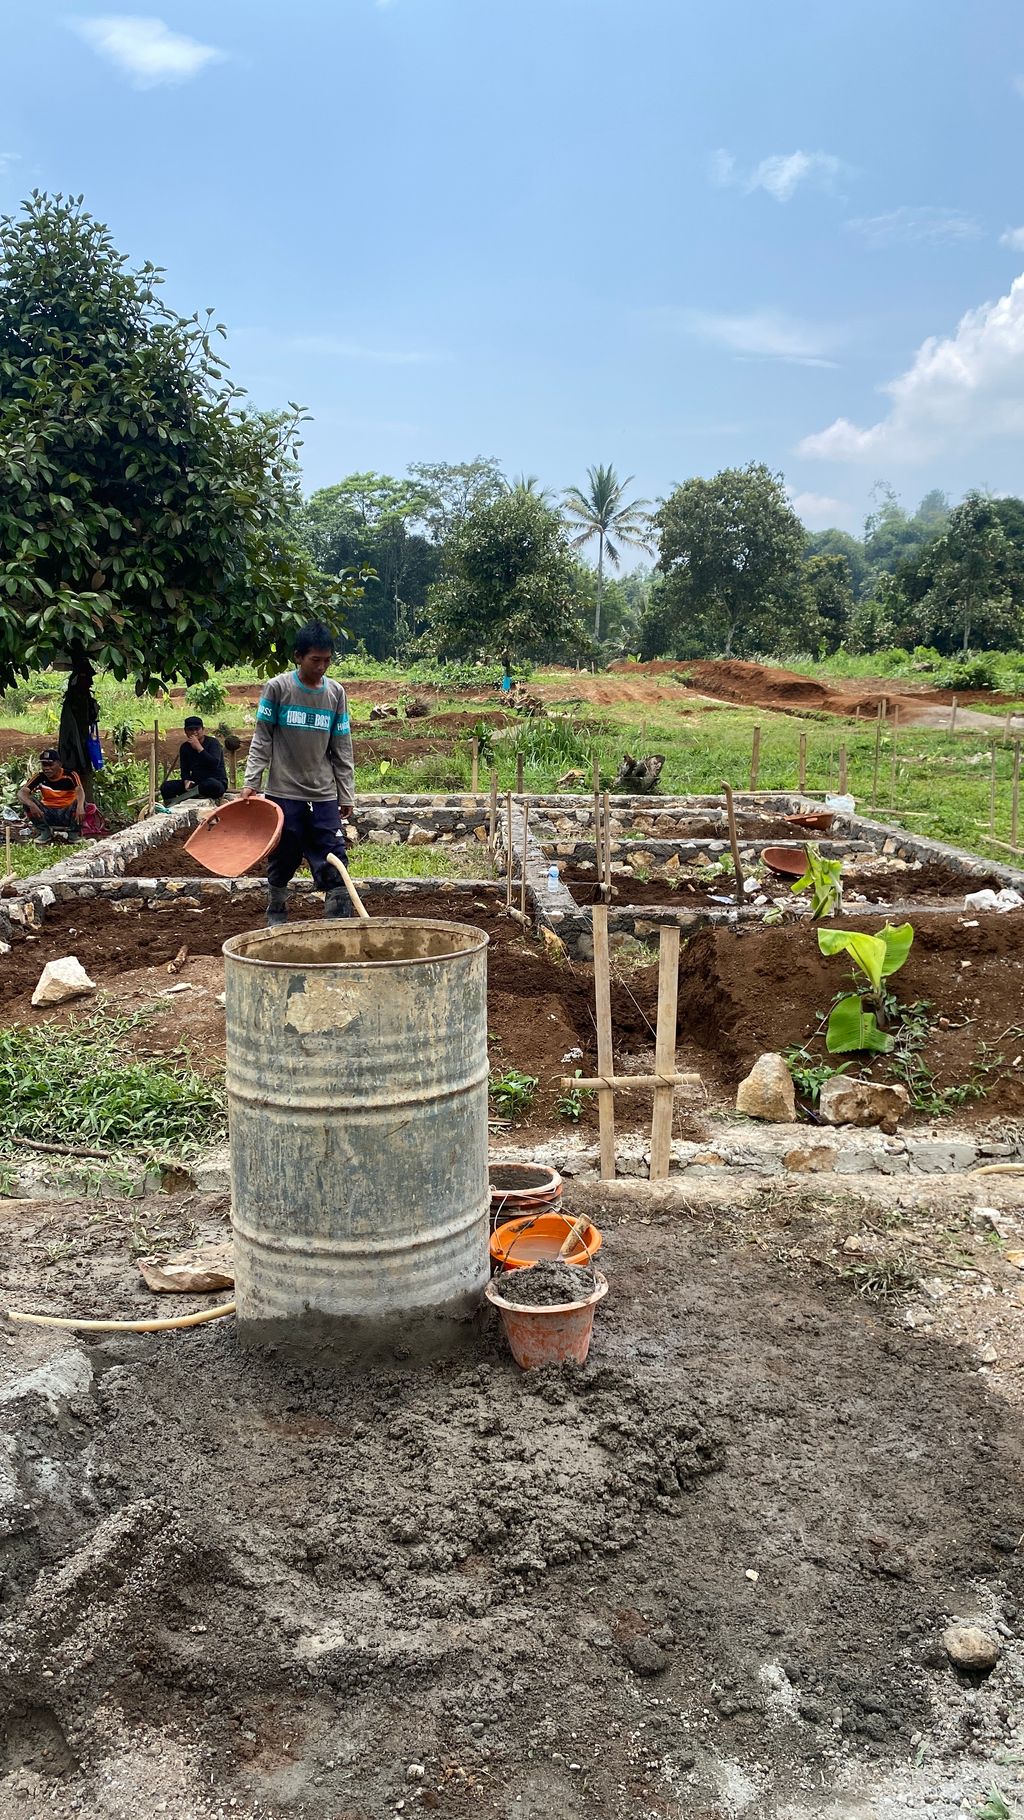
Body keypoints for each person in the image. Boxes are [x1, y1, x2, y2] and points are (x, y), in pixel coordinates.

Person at [241, 621, 354, 927]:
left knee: (334, 855)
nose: (321, 667)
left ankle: (338, 924)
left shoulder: (336, 694)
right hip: (284, 792)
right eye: (315, 660)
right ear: (298, 657)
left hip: (324, 794)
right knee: (284, 855)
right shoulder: (278, 689)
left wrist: (346, 793)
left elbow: (341, 746)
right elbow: (262, 738)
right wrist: (251, 783)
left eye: (327, 660)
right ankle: (276, 910)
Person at [18, 750, 85, 844]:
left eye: (50, 765)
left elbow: (80, 790)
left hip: (67, 812)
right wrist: (31, 805)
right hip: (47, 812)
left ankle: (73, 834)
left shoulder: (70, 775)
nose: (46, 768)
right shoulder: (39, 777)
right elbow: (21, 793)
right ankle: (45, 831)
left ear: (59, 764)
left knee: (81, 802)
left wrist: (80, 806)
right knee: (28, 802)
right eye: (44, 765)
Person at [160, 717, 228, 806]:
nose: (194, 732)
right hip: (196, 783)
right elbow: (185, 769)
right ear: (185, 731)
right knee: (166, 787)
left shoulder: (213, 743)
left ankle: (179, 799)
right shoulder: (185, 747)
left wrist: (199, 748)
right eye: (190, 729)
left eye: (197, 729)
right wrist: (186, 780)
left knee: (210, 784)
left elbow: (214, 764)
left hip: (215, 782)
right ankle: (170, 806)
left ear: (203, 730)